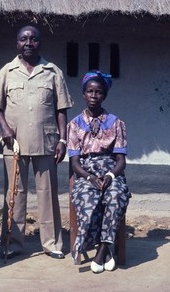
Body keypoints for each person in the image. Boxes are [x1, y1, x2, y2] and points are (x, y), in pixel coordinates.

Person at [0, 25, 74, 259]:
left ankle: (52, 244)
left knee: (48, 193)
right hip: (13, 142)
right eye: (23, 39)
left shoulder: (53, 71)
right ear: (17, 43)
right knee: (14, 194)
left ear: (40, 43)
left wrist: (63, 140)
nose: (28, 43)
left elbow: (61, 110)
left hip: (46, 142)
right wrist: (5, 128)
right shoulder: (6, 71)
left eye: (33, 39)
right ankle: (13, 244)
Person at [67, 70, 131, 273]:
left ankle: (102, 249)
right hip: (86, 174)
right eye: (90, 91)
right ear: (83, 94)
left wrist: (110, 176)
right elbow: (75, 163)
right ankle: (105, 251)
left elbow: (121, 160)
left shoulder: (116, 123)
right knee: (88, 199)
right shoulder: (74, 125)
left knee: (115, 196)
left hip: (112, 172)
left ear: (104, 95)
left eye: (99, 92)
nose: (94, 96)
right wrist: (90, 177)